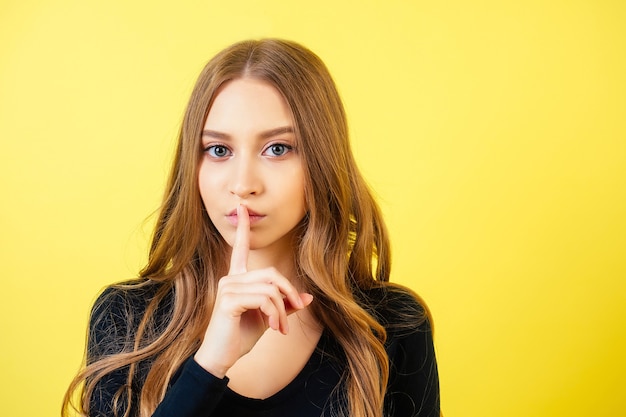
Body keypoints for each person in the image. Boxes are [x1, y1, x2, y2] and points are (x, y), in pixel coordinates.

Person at [62, 38, 440, 417]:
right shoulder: (127, 319)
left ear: (321, 159)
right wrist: (209, 365)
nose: (243, 184)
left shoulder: (393, 327)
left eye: (277, 148)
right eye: (218, 150)